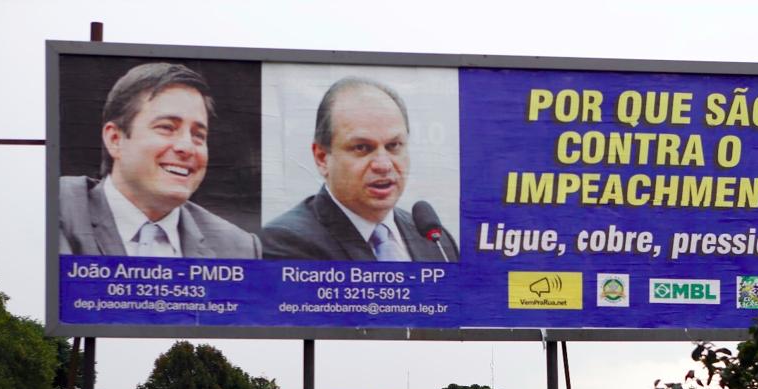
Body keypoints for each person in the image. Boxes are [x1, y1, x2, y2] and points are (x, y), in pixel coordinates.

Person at [59, 62, 261, 259]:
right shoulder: (59, 206)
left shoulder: (237, 248)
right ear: (115, 139)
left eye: (198, 135)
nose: (187, 147)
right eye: (167, 127)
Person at [260, 77, 459, 261]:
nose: (383, 165)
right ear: (322, 158)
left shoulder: (436, 241)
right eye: (362, 148)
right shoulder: (287, 241)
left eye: (394, 146)